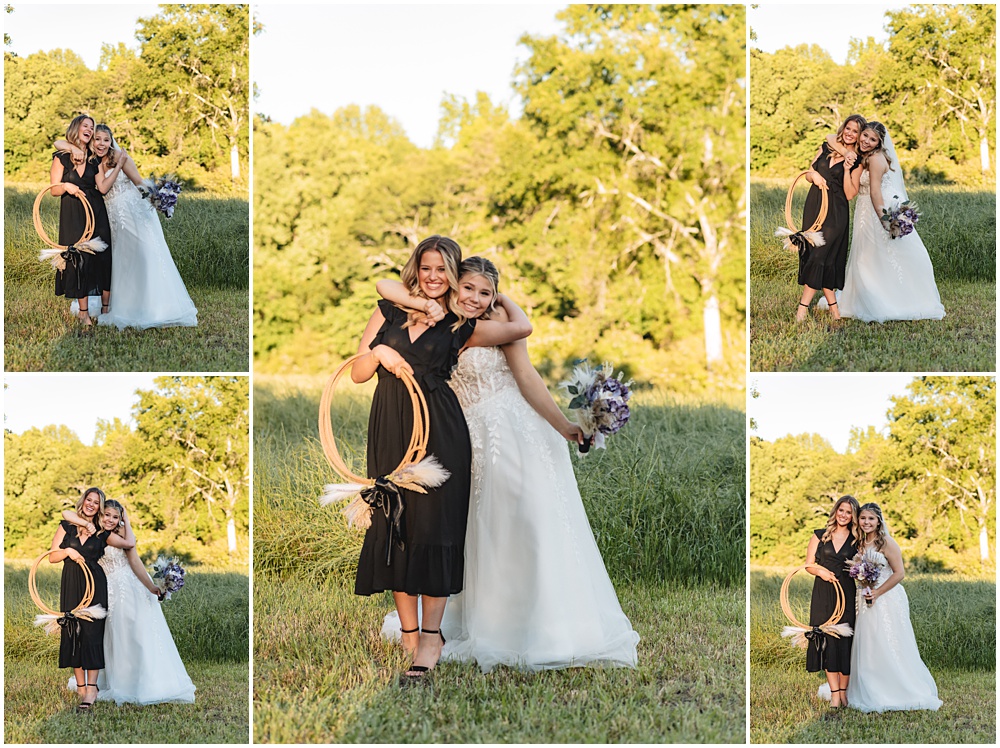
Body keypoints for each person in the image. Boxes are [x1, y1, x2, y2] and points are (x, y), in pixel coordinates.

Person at [378, 257, 640, 672]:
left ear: (495, 295)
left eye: (485, 292)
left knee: (533, 518)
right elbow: (387, 288)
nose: (476, 299)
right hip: (463, 435)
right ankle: (490, 620)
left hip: (517, 431)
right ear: (450, 285)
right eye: (468, 289)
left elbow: (528, 377)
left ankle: (551, 624)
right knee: (482, 527)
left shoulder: (494, 317)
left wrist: (564, 426)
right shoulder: (440, 319)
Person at [350, 236, 532, 678]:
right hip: (389, 425)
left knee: (434, 528)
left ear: (454, 276)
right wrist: (380, 351)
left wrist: (501, 293)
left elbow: (521, 329)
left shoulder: (460, 323)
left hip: (439, 431)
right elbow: (357, 373)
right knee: (396, 524)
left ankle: (430, 640)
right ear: (417, 269)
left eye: (443, 270)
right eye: (426, 268)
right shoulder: (389, 311)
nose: (433, 277)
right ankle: (410, 634)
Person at [56, 124, 198, 329]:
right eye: (97, 139)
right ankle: (126, 304)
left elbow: (139, 182)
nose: (101, 143)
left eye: (105, 139)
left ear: (111, 140)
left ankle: (157, 305)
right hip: (112, 215)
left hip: (133, 212)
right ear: (92, 141)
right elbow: (101, 187)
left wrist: (159, 199)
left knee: (145, 253)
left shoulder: (122, 158)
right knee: (123, 259)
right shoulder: (93, 161)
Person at [64, 500, 196, 704]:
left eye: (115, 517)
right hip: (108, 589)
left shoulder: (121, 535)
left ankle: (148, 682)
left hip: (131, 588)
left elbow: (135, 561)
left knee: (139, 633)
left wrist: (152, 587)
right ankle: (121, 680)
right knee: (117, 634)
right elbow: (67, 515)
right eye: (107, 515)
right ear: (100, 514)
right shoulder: (96, 534)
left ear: (121, 519)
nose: (110, 519)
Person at [819, 503, 942, 712]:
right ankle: (867, 686)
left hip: (886, 599)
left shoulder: (887, 543)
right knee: (867, 643)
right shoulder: (859, 543)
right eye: (863, 518)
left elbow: (899, 573)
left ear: (878, 521)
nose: (866, 522)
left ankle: (896, 688)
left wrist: (877, 592)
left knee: (889, 641)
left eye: (871, 519)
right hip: (864, 598)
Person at [833, 122, 946, 322]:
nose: (866, 141)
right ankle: (865, 296)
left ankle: (888, 300)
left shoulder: (876, 159)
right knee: (870, 256)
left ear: (879, 143)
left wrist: (885, 222)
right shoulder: (865, 157)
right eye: (865, 135)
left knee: (875, 256)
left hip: (876, 210)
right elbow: (830, 138)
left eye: (872, 139)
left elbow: (875, 191)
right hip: (865, 208)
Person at [47, 488, 132, 711]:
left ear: (100, 507)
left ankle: (92, 688)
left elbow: (129, 544)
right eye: (89, 500)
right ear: (83, 501)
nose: (92, 504)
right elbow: (52, 556)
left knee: (93, 635)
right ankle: (81, 686)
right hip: (71, 585)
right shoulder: (67, 526)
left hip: (94, 586)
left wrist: (126, 520)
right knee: (73, 632)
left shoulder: (102, 533)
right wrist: (68, 552)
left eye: (97, 502)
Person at [795, 115, 866, 322]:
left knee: (821, 255)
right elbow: (809, 172)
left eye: (855, 131)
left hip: (836, 210)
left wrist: (845, 170)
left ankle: (802, 308)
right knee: (815, 255)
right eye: (849, 128)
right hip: (814, 204)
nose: (850, 133)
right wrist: (815, 176)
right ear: (844, 128)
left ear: (860, 136)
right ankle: (835, 311)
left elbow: (851, 194)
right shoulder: (827, 146)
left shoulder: (856, 161)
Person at [50, 115, 112, 326]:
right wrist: (67, 186)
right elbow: (54, 190)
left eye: (91, 127)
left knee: (103, 258)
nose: (89, 129)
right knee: (79, 260)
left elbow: (102, 188)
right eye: (85, 125)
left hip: (95, 210)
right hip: (73, 212)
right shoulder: (61, 156)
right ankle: (83, 313)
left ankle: (106, 310)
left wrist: (120, 165)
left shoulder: (94, 158)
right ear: (76, 128)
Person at [804, 495, 860, 708]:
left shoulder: (856, 541)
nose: (844, 515)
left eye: (849, 512)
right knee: (828, 642)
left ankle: (844, 694)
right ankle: (835, 695)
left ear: (853, 516)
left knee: (845, 642)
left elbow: (860, 568)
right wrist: (823, 574)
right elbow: (809, 565)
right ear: (836, 511)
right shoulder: (820, 535)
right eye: (841, 510)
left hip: (846, 593)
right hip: (823, 593)